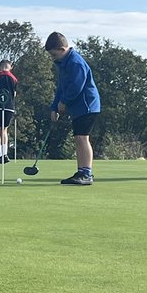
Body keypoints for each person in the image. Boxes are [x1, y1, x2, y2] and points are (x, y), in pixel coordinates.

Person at [45, 32, 101, 186]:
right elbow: (61, 88)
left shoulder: (75, 62)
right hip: (78, 108)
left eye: (54, 54)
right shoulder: (63, 63)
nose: (53, 58)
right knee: (78, 138)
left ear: (63, 49)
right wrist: (54, 106)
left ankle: (86, 173)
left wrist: (64, 101)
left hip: (88, 106)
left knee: (82, 138)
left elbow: (77, 86)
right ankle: (81, 171)